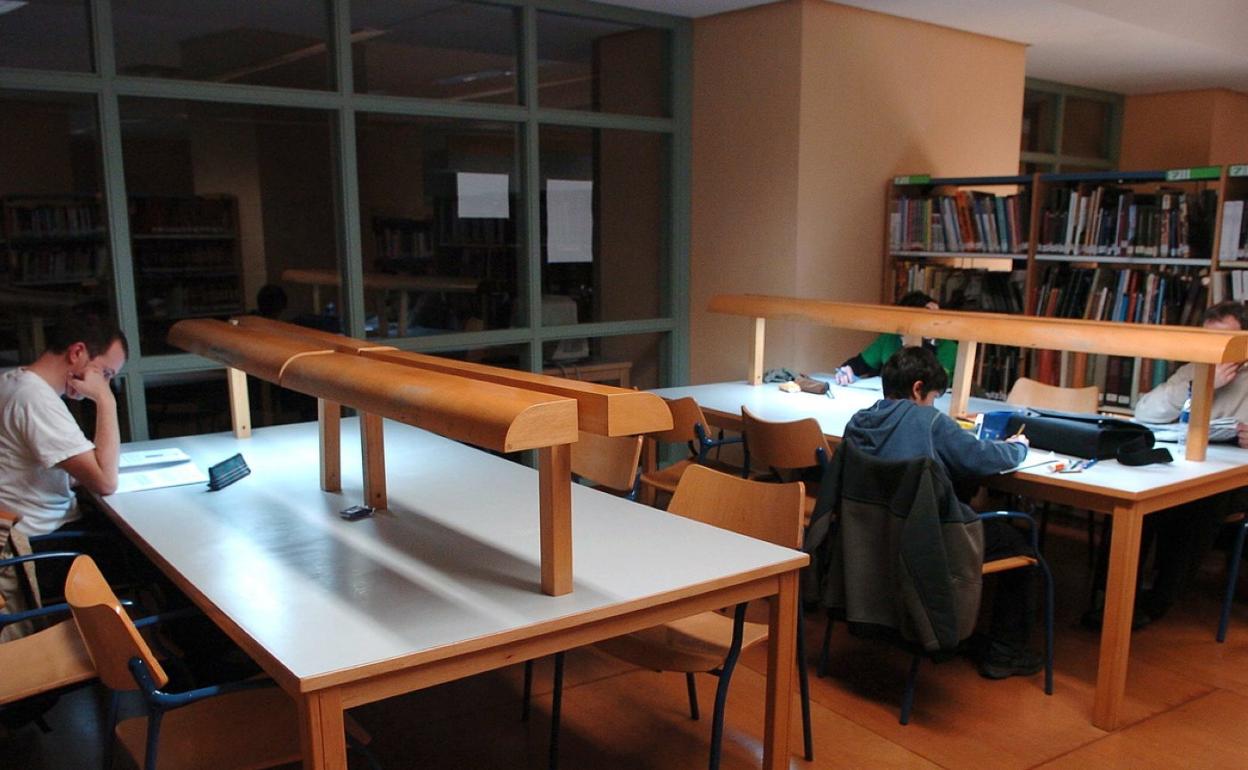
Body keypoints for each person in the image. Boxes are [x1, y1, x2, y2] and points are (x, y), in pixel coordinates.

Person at [841, 346, 1042, 678]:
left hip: (872, 539)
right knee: (1020, 542)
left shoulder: (858, 422)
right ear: (918, 389)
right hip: (926, 542)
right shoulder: (930, 421)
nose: (934, 405)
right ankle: (1005, 653)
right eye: (934, 397)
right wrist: (1017, 448)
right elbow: (982, 457)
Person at [1115, 300, 1248, 622]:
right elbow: (1145, 411)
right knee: (1138, 495)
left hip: (1236, 478)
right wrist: (1198, 385)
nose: (1214, 349)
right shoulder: (1195, 368)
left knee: (1198, 504)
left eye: (1223, 340)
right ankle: (1114, 595)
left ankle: (1159, 600)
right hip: (1192, 463)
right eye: (1206, 339)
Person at [0, 312, 128, 632]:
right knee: (152, 559)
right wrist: (106, 400)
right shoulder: (35, 400)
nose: (104, 382)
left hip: (22, 533)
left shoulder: (12, 381)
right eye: (105, 373)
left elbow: (42, 466)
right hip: (39, 546)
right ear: (77, 352)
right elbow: (106, 481)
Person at [832, 291, 958, 385]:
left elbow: (929, 385)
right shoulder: (890, 339)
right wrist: (847, 370)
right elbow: (860, 363)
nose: (903, 337)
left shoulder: (951, 349)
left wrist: (928, 342)